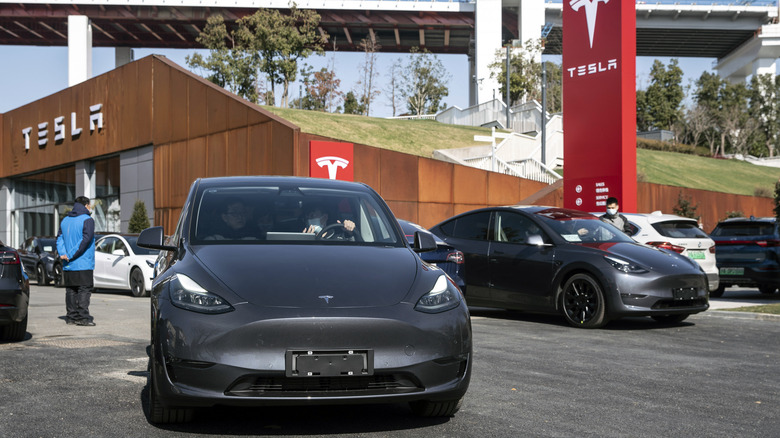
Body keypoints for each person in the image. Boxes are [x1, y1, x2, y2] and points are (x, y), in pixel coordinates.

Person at [56, 196, 96, 326]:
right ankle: (83, 317)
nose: (90, 208)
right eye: (89, 205)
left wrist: (63, 254)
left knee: (71, 290)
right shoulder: (87, 220)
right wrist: (71, 254)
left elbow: (59, 238)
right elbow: (86, 240)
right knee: (84, 289)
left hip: (68, 264)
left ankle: (71, 317)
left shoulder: (64, 221)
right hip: (83, 262)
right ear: (86, 205)